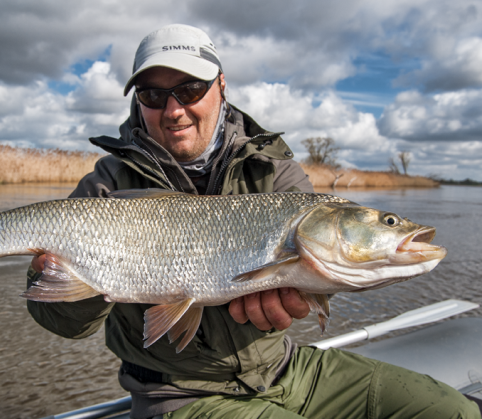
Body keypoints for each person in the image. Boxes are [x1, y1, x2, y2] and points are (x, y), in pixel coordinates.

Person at [27, 24, 480, 419]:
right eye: (152, 94)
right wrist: (64, 277)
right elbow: (63, 324)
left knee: (454, 410)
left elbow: (321, 278)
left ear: (221, 86)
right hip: (178, 394)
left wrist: (305, 299)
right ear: (138, 102)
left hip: (286, 368)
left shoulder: (274, 169)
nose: (173, 109)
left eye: (189, 89)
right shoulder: (106, 185)